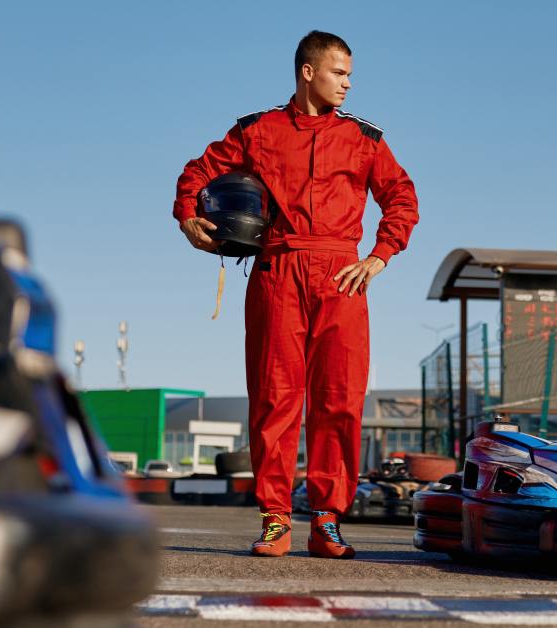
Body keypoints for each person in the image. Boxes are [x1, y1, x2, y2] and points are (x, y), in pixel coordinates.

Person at [172, 31, 418, 559]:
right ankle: (276, 517)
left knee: (340, 400)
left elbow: (401, 195)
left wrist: (379, 255)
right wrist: (189, 216)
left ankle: (327, 518)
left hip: (340, 275)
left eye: (350, 74)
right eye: (339, 73)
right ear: (308, 72)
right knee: (274, 398)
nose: (348, 84)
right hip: (277, 272)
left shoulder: (364, 139)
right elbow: (199, 171)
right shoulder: (258, 131)